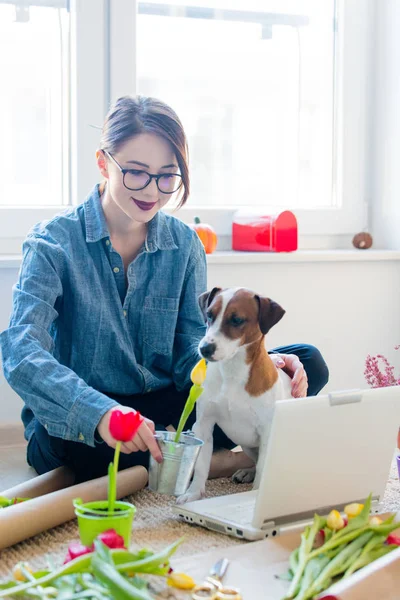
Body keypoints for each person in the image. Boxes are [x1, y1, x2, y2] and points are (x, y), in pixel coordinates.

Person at [0, 96, 329, 484]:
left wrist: (254, 362)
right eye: (136, 172)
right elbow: (22, 351)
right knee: (76, 450)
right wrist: (101, 414)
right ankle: (221, 461)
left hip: (164, 404)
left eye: (167, 175)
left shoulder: (185, 244)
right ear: (104, 163)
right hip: (89, 414)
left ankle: (169, 460)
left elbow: (190, 350)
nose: (153, 191)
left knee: (307, 362)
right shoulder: (53, 243)